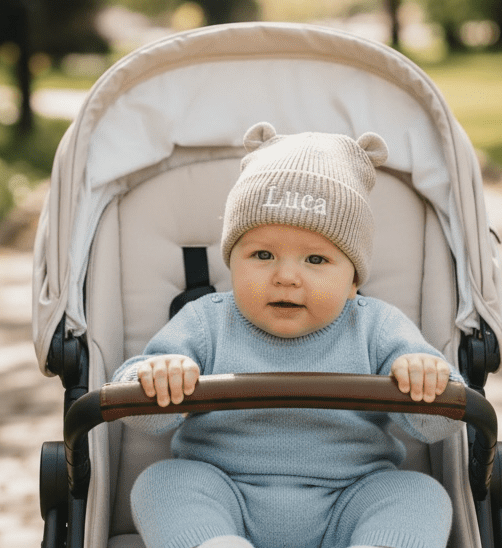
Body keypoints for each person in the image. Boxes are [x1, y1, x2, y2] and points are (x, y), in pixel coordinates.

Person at [111, 122, 465, 548]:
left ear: (353, 280)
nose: (285, 277)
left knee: (420, 493)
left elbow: (437, 426)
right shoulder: (205, 320)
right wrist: (158, 376)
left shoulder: (378, 326)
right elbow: (134, 410)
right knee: (163, 482)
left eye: (316, 259)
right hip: (226, 494)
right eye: (262, 255)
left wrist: (425, 378)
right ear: (232, 262)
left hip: (350, 497)